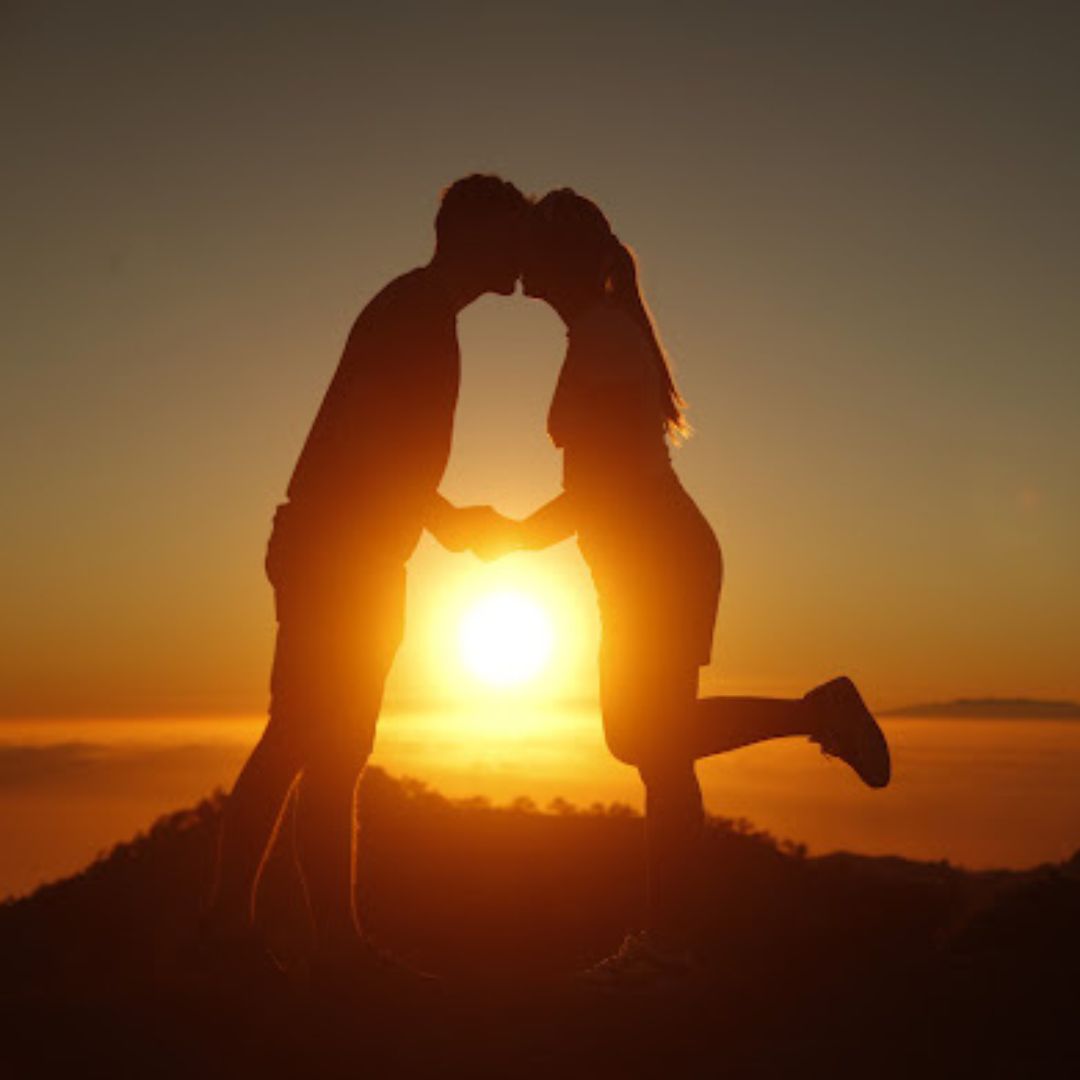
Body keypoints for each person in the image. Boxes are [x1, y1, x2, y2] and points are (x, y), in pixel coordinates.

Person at [486, 188, 890, 989]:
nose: (520, 257)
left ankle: (819, 714)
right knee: (659, 751)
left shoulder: (599, 338)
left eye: (531, 241)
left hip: (653, 559)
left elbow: (600, 484)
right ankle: (670, 942)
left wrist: (513, 536)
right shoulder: (598, 334)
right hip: (649, 556)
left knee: (646, 741)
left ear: (556, 259)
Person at [205, 175, 528, 984]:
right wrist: (449, 520)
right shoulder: (415, 313)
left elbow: (382, 450)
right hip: (336, 553)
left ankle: (331, 947)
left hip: (354, 551)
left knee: (335, 747)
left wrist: (438, 519)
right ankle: (231, 933)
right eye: (512, 238)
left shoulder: (421, 312)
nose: (521, 256)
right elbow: (371, 442)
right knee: (301, 736)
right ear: (474, 237)